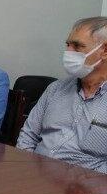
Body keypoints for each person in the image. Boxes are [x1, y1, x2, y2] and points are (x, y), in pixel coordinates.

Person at [17, 17, 107, 173]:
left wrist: (84, 183)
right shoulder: (56, 89)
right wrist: (25, 170)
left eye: (77, 46)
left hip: (85, 184)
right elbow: (28, 135)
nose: (68, 52)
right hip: (33, 174)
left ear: (104, 51)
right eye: (68, 45)